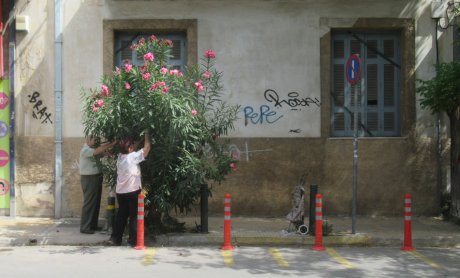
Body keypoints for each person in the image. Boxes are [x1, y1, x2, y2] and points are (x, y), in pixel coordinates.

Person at [108, 131, 151, 246]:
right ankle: (132, 241)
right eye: (132, 145)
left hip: (121, 192)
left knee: (121, 215)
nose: (133, 146)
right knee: (134, 217)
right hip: (132, 191)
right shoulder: (133, 156)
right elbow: (146, 149)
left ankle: (115, 239)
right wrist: (147, 136)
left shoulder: (120, 157)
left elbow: (132, 149)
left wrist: (137, 142)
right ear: (130, 148)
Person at [79, 136, 117, 234]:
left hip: (96, 177)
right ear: (88, 140)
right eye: (94, 140)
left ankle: (92, 225)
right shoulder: (85, 150)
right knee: (89, 202)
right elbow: (99, 150)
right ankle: (85, 227)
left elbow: (105, 152)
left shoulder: (92, 149)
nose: (96, 142)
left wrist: (113, 147)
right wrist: (112, 143)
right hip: (89, 178)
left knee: (95, 203)